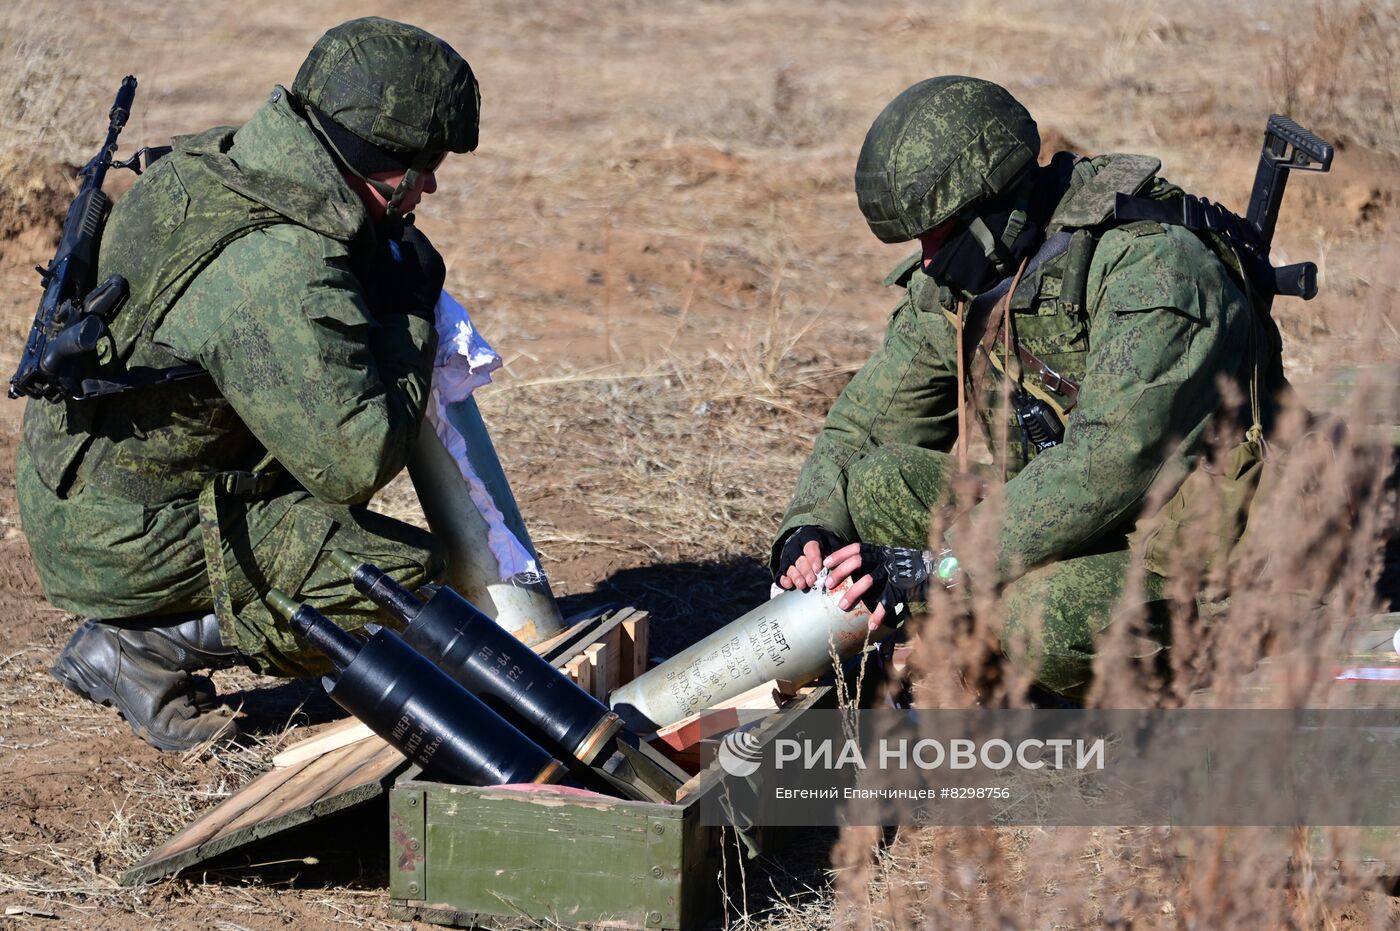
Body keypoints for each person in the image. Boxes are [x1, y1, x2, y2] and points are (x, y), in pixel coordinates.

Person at [16, 17, 480, 750]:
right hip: (123, 534)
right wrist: (405, 314)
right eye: (421, 165)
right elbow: (353, 461)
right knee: (397, 585)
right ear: (370, 151)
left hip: (81, 482)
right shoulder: (277, 264)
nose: (428, 185)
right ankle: (146, 644)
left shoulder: (224, 160)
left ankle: (145, 630)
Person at [771, 76, 1286, 699]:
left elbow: (1106, 465)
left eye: (942, 234)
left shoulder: (1154, 268)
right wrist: (808, 529)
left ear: (999, 205)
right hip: (1068, 524)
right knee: (873, 484)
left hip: (1192, 547)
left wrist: (946, 567)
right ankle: (975, 644)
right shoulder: (975, 273)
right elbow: (866, 427)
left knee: (1035, 624)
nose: (928, 260)